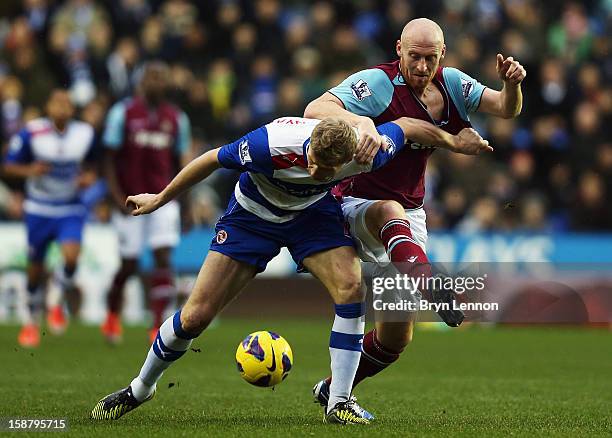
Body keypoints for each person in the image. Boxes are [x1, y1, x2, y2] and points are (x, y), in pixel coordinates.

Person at [90, 115, 489, 424]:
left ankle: (339, 402)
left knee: (351, 290)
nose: (315, 171)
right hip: (253, 216)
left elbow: (404, 127)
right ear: (309, 145)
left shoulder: (369, 151)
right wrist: (159, 199)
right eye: (312, 162)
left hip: (312, 217)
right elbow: (211, 159)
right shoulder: (269, 145)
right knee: (195, 316)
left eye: (325, 171)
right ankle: (140, 389)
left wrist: (453, 140)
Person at [304, 18, 526, 415]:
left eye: (430, 58)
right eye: (414, 57)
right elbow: (315, 108)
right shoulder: (377, 84)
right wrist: (362, 122)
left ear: (442, 56)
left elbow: (505, 110)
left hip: (408, 216)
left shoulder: (454, 85)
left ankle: (333, 389)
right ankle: (431, 283)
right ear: (398, 50)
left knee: (395, 339)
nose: (422, 67)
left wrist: (512, 85)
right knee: (389, 212)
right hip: (354, 204)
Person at [100, 62, 192, 344]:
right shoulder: (122, 113)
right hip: (129, 200)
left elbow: (184, 163)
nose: (156, 82)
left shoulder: (177, 118)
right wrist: (115, 196)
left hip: (163, 198)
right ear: (141, 82)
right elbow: (109, 160)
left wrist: (184, 203)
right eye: (151, 77)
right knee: (128, 264)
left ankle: (156, 325)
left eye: (161, 78)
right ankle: (113, 314)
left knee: (163, 256)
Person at [3, 89, 96, 348]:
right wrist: (30, 170)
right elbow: (8, 165)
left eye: (67, 103)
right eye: (57, 103)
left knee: (71, 257)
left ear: (72, 109)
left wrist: (89, 177)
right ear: (48, 107)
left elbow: (95, 165)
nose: (63, 108)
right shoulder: (32, 132)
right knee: (34, 270)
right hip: (39, 208)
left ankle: (55, 298)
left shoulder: (84, 134)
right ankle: (31, 321)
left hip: (69, 207)